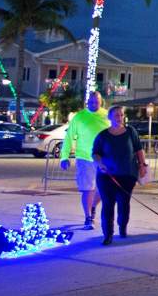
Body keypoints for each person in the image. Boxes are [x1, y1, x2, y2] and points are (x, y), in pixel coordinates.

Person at [93, 106, 146, 245]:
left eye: (121, 115)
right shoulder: (103, 135)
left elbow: (138, 149)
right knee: (108, 204)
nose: (119, 117)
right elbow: (95, 153)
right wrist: (100, 163)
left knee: (124, 203)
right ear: (109, 117)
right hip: (107, 176)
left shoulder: (130, 132)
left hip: (127, 175)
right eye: (116, 115)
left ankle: (122, 227)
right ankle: (108, 234)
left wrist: (142, 165)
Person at [60, 91, 110, 229]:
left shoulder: (107, 115)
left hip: (103, 159)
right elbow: (69, 137)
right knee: (88, 189)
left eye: (96, 102)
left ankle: (93, 206)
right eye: (91, 102)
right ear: (87, 102)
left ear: (101, 102)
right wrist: (64, 157)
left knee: (104, 189)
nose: (94, 104)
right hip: (85, 158)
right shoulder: (79, 117)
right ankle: (88, 217)